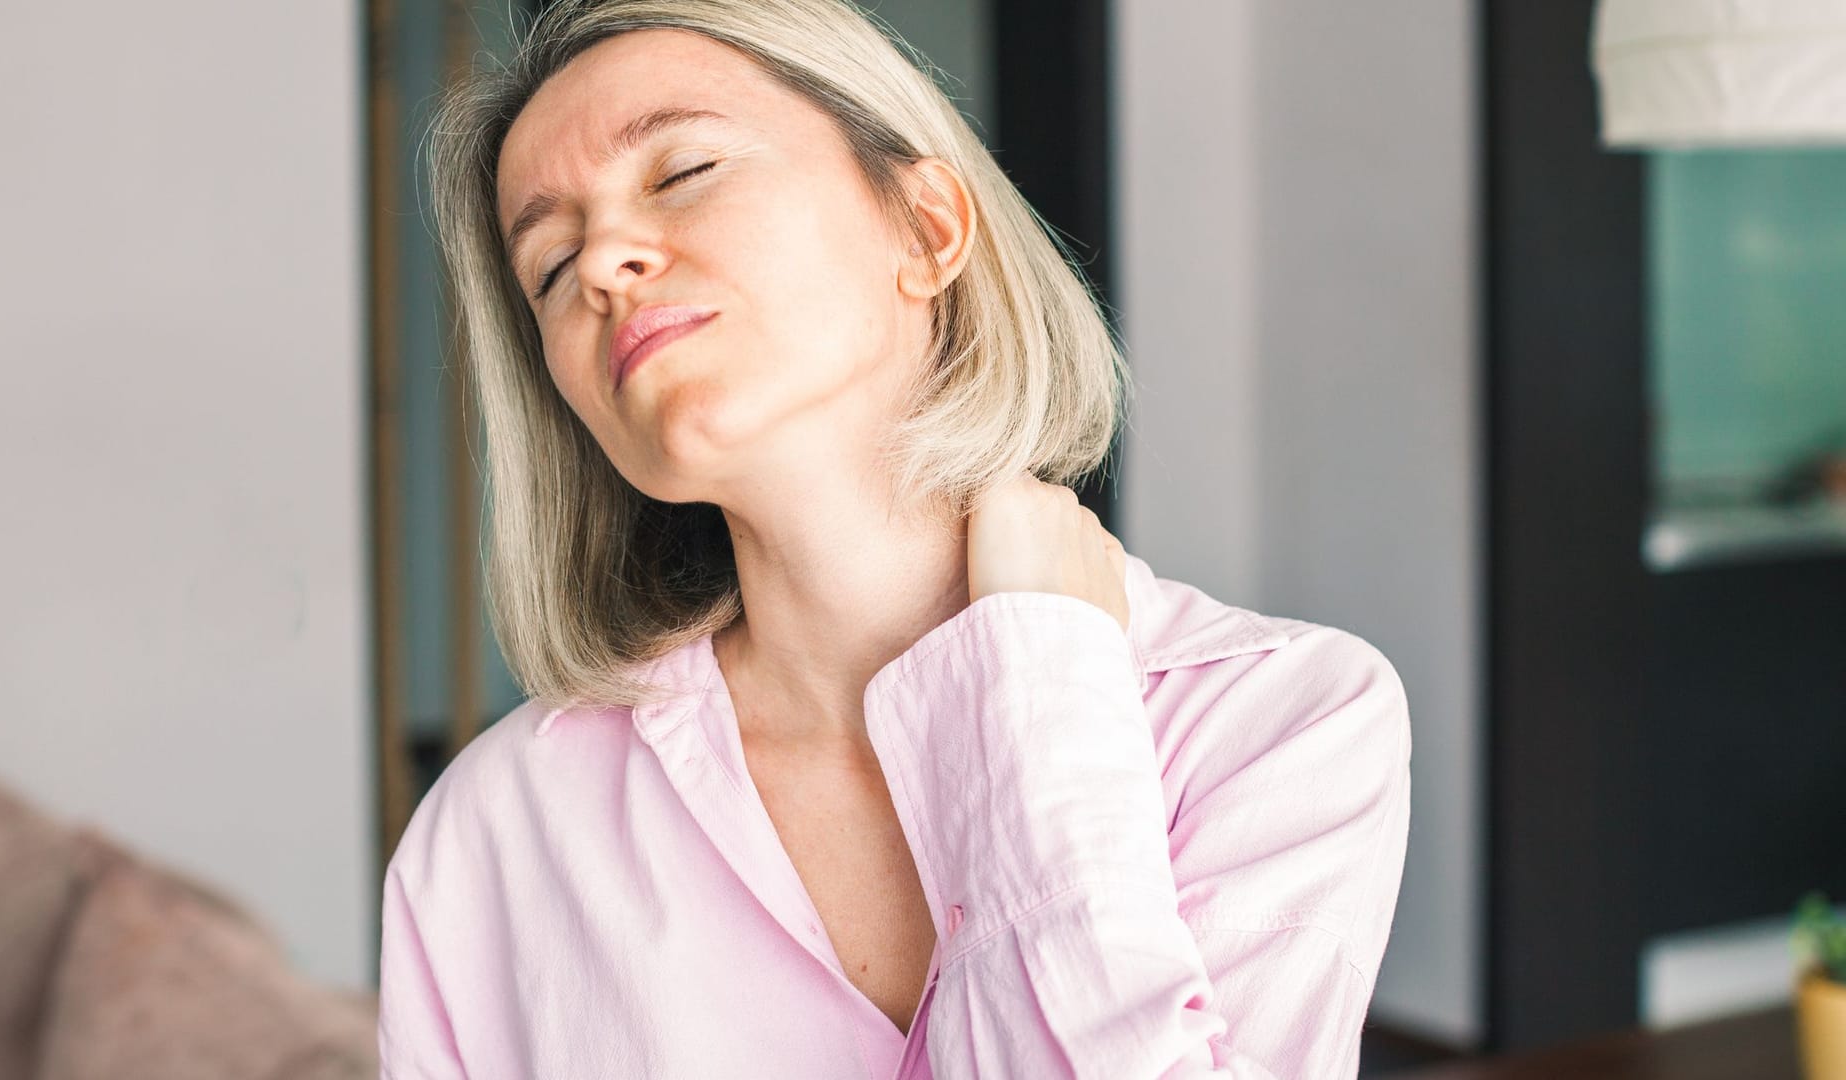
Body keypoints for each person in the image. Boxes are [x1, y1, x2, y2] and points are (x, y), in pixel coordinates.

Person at [377, 1, 1412, 1076]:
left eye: (682, 173)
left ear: (925, 229)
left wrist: (1037, 689)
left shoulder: (1282, 723)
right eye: (550, 265)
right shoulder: (494, 834)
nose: (603, 264)